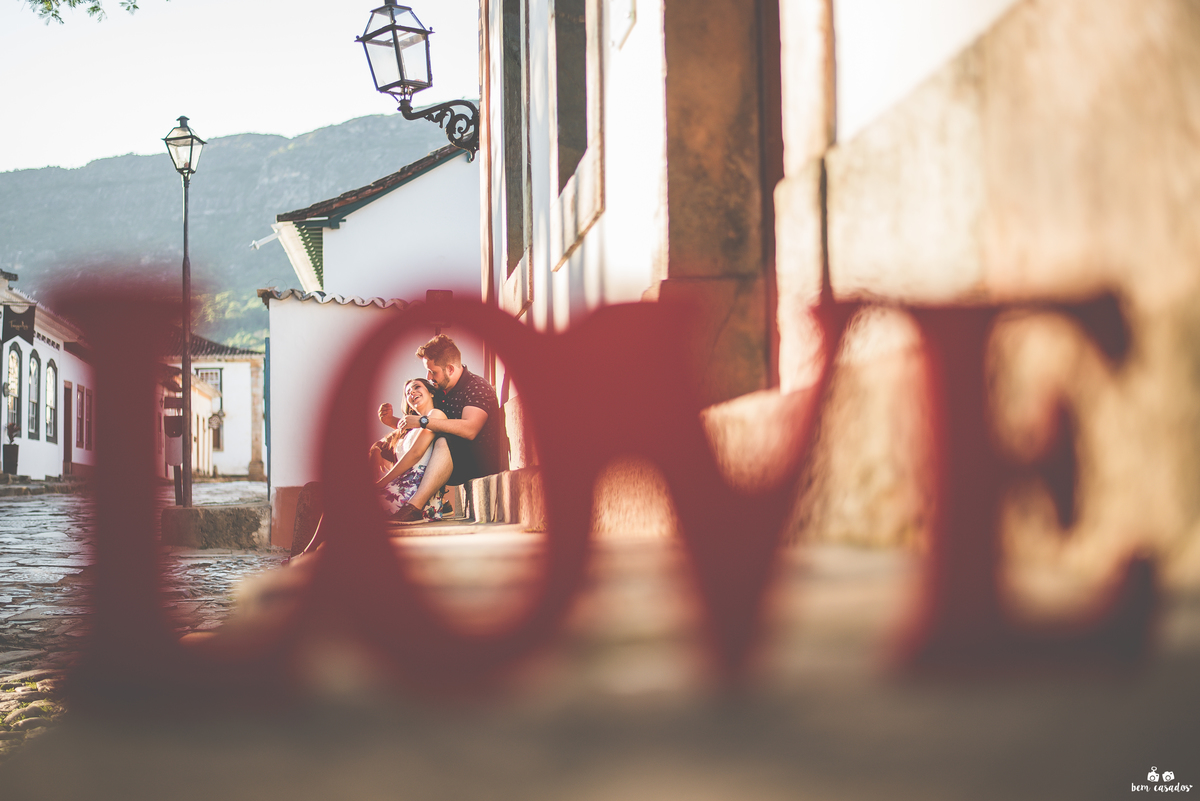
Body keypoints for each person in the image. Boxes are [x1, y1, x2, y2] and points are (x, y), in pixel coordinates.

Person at [297, 378, 446, 556]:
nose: (412, 392)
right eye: (407, 392)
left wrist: (382, 483)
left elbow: (415, 454)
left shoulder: (435, 415)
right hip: (402, 487)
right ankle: (314, 552)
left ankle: (311, 553)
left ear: (430, 392)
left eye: (416, 387)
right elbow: (392, 442)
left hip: (413, 493)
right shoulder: (410, 430)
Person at [378, 334, 507, 522]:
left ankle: (415, 507)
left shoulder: (477, 387)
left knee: (445, 438)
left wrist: (423, 421)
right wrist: (393, 423)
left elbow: (470, 429)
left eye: (433, 372)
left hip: (477, 463)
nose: (429, 377)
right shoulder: (443, 390)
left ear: (450, 369)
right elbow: (424, 429)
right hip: (447, 463)